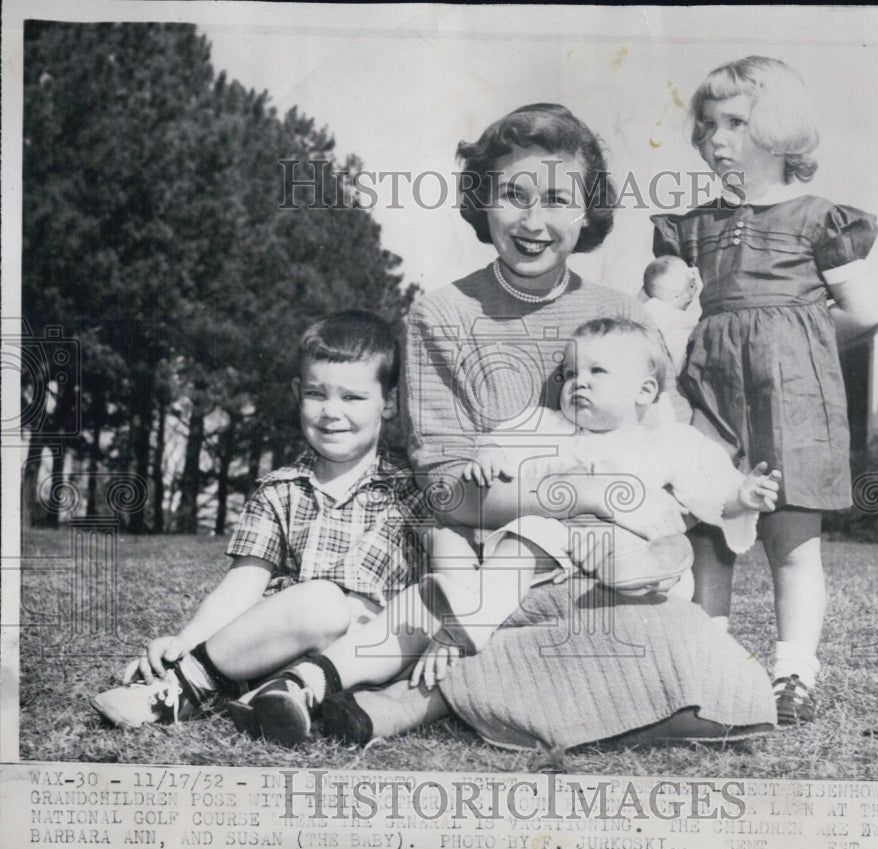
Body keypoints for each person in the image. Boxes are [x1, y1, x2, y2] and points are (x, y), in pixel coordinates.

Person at [262, 103, 778, 752]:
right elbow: (449, 491)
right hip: (488, 556)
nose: (535, 223)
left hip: (606, 574)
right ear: (483, 201)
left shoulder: (620, 318)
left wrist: (712, 508)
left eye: (560, 199)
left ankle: (403, 705)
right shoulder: (441, 315)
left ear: (587, 212)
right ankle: (406, 693)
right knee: (457, 603)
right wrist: (578, 496)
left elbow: (674, 453)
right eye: (514, 195)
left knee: (678, 644)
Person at [650, 56, 878, 725]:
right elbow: (663, 316)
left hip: (791, 395)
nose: (715, 138)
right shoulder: (692, 227)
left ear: (778, 127)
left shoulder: (819, 220)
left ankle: (793, 671)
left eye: (735, 123)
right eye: (707, 125)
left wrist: (794, 327)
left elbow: (864, 312)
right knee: (708, 533)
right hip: (711, 394)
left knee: (792, 539)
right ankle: (709, 666)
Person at [90, 310, 430, 731]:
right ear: (296, 393)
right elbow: (241, 586)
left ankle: (279, 699)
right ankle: (187, 684)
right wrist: (189, 641)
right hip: (287, 636)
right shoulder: (279, 490)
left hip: (367, 660)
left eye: (353, 397)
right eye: (316, 394)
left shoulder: (414, 491)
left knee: (418, 613)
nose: (330, 411)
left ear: (390, 403)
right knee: (323, 602)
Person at [411, 316, 782, 678]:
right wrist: (490, 456)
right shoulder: (549, 425)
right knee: (525, 538)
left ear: (645, 391)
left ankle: (642, 592)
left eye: (596, 372)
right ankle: (469, 622)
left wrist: (742, 496)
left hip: (628, 547)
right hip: (558, 543)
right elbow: (503, 440)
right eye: (570, 374)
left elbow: (712, 488)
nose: (578, 383)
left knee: (669, 565)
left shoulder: (666, 441)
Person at [637, 255, 702, 374]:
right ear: (676, 296)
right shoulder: (662, 313)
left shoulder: (647, 306)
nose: (695, 289)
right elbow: (695, 319)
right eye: (691, 285)